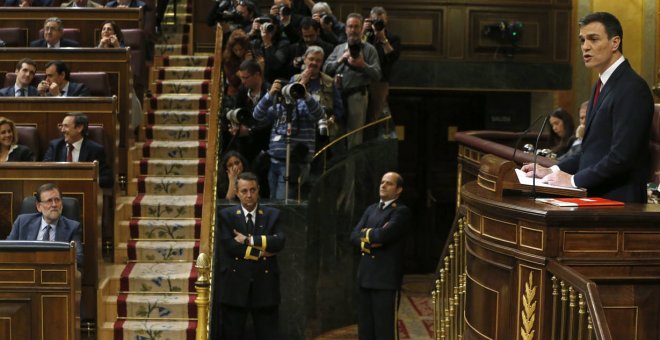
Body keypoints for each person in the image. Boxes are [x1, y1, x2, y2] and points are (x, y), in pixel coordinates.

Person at [522, 12, 654, 203]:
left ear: (615, 43)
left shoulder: (633, 88)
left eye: (593, 39)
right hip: (596, 193)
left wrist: (574, 180)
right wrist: (553, 170)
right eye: (582, 40)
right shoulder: (600, 84)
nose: (585, 47)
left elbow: (621, 158)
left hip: (619, 202)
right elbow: (590, 151)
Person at [215, 172, 285, 340]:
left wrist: (248, 239)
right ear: (237, 193)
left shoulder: (272, 214)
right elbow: (230, 246)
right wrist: (262, 252)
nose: (249, 195)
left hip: (265, 286)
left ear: (258, 190)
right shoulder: (226, 216)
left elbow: (279, 242)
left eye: (252, 190)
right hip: (235, 286)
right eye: (244, 191)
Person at [349, 171, 411, 340]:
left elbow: (383, 236)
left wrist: (368, 235)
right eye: (382, 182)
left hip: (385, 279)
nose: (383, 185)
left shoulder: (401, 212)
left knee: (384, 330)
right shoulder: (371, 209)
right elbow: (353, 236)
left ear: (398, 190)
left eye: (389, 183)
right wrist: (371, 239)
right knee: (366, 328)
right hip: (366, 275)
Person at [252, 75, 323, 200]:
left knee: (282, 204)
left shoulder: (305, 106)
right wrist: (269, 95)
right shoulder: (278, 107)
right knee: (273, 201)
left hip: (294, 164)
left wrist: (305, 94)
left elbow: (319, 114)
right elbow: (257, 115)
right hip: (274, 162)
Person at [323, 13, 381, 149]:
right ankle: (339, 168)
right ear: (346, 29)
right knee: (336, 136)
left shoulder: (369, 50)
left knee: (355, 137)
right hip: (337, 96)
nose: (353, 30)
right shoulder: (339, 49)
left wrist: (363, 65)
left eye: (356, 27)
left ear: (361, 29)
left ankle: (352, 170)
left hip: (357, 96)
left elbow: (378, 75)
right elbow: (325, 69)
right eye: (350, 26)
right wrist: (340, 60)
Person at [7, 183, 84, 267]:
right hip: (26, 272)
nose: (54, 205)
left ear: (61, 205)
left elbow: (79, 258)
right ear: (39, 206)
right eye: (49, 201)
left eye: (57, 200)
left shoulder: (72, 227)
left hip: (56, 273)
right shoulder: (22, 222)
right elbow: (7, 250)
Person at [43, 112, 113, 188]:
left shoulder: (95, 150)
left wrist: (83, 181)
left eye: (66, 126)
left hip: (84, 192)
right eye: (61, 126)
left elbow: (107, 179)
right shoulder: (55, 146)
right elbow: (44, 172)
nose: (62, 130)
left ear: (79, 128)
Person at [364, 7, 401, 124]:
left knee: (376, 116)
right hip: (361, 80)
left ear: (386, 20)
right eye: (375, 21)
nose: (378, 24)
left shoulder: (393, 38)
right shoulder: (366, 36)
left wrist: (383, 39)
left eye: (381, 21)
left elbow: (392, 57)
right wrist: (363, 31)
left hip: (380, 82)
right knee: (359, 115)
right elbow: (354, 49)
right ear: (370, 20)